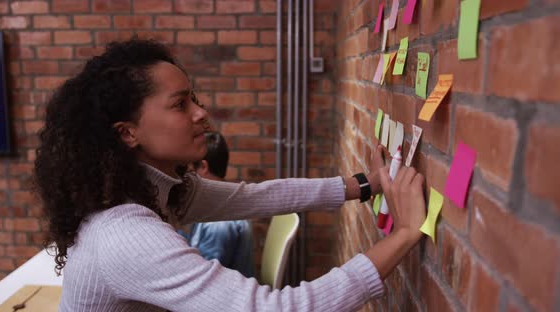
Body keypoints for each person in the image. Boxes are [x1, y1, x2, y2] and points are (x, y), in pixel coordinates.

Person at [33, 38, 427, 312]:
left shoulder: (159, 191)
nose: (201, 113)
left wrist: (364, 185)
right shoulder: (125, 234)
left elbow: (257, 197)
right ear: (128, 132)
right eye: (180, 104)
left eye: (194, 99)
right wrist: (406, 234)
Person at [179, 131, 254, 278]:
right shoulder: (216, 205)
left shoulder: (218, 222)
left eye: (189, 169)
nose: (185, 177)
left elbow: (206, 277)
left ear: (203, 167)